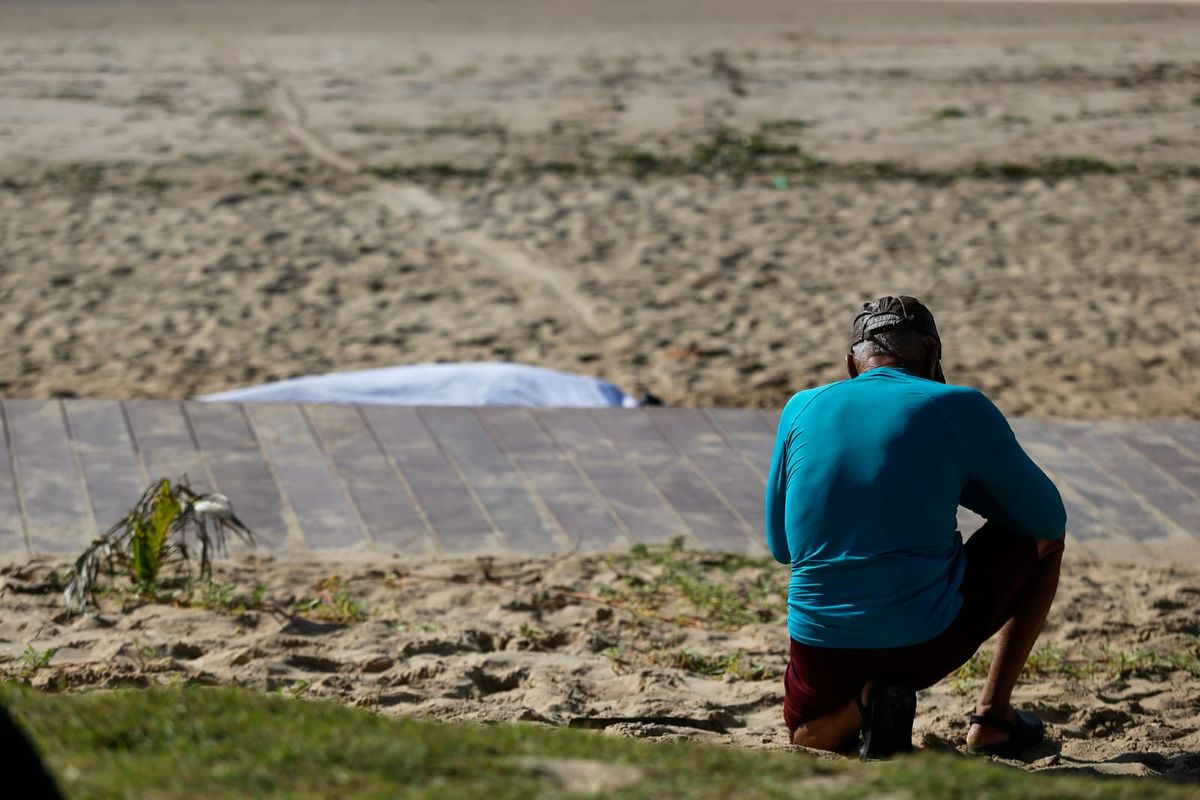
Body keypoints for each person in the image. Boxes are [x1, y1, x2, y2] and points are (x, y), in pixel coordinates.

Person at [764, 295, 1066, 760]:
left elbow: (781, 546)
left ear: (851, 363)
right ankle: (991, 717)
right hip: (925, 644)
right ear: (932, 354)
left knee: (804, 733)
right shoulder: (959, 405)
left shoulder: (801, 407)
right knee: (1047, 541)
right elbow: (1047, 518)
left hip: (823, 644)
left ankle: (856, 709)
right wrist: (960, 483)